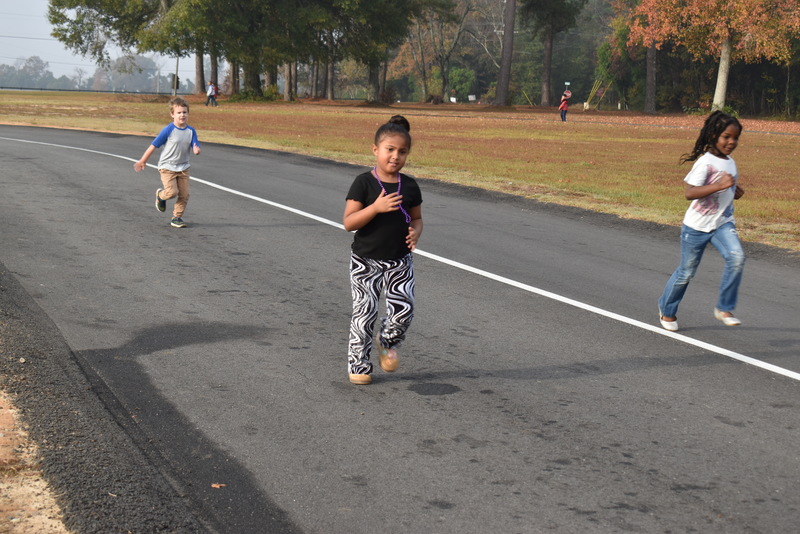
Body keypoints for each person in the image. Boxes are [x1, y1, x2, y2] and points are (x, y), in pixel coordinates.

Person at [343, 115, 423, 385]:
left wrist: (417, 231)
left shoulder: (410, 185)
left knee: (404, 310)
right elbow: (348, 222)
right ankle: (359, 364)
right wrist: (375, 208)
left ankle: (387, 341)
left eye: (402, 151)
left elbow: (417, 218)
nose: (395, 156)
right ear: (375, 150)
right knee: (364, 314)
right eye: (390, 149)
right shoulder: (364, 183)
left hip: (400, 261)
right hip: (366, 261)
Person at [658, 110, 746, 332]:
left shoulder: (730, 162)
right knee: (687, 272)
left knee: (736, 257)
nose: (731, 142)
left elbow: (725, 185)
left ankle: (724, 308)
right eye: (727, 136)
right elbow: (690, 192)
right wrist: (720, 186)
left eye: (735, 138)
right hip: (696, 227)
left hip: (722, 224)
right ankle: (666, 309)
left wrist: (734, 190)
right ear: (714, 135)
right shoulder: (705, 162)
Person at [133, 97, 201, 228]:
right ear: (172, 114)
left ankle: (177, 217)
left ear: (188, 113)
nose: (182, 115)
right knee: (172, 192)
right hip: (167, 167)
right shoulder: (168, 130)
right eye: (179, 112)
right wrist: (143, 161)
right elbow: (154, 145)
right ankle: (160, 195)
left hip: (183, 167)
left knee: (185, 194)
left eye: (185, 112)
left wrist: (197, 149)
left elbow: (195, 144)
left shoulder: (191, 131)